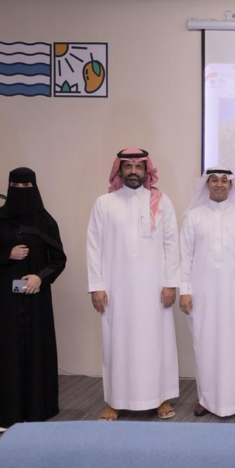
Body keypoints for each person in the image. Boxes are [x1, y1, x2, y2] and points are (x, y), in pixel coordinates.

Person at [87, 150, 180, 422]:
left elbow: (171, 245)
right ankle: (115, 401)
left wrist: (170, 283)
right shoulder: (104, 203)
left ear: (146, 170)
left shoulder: (161, 202)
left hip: (154, 289)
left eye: (138, 167)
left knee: (157, 342)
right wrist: (96, 286)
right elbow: (94, 246)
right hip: (116, 289)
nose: (133, 172)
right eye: (128, 166)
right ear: (119, 170)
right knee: (117, 343)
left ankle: (160, 397)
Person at [0, 168, 66, 433]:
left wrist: (40, 277)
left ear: (34, 187)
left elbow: (58, 259)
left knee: (36, 348)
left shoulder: (45, 221)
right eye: (16, 186)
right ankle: (5, 412)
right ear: (9, 187)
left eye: (26, 186)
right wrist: (7, 254)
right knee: (6, 351)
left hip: (36, 298)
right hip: (4, 298)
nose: (21, 191)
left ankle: (37, 409)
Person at [179, 167, 235, 418]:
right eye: (214, 180)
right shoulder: (193, 216)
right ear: (207, 184)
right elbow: (184, 257)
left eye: (224, 180)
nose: (219, 184)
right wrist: (185, 291)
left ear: (231, 185)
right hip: (203, 295)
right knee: (205, 345)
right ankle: (207, 399)